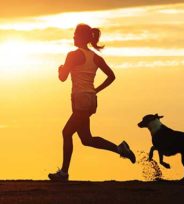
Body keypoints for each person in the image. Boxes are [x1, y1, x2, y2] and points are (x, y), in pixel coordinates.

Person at [48, 24, 136, 181]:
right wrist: (96, 90)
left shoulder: (73, 55)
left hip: (80, 100)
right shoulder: (96, 57)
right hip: (90, 101)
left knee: (66, 133)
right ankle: (120, 149)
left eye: (75, 34)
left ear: (81, 37)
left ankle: (64, 173)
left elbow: (62, 78)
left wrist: (60, 69)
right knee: (87, 139)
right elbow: (111, 76)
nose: (73, 37)